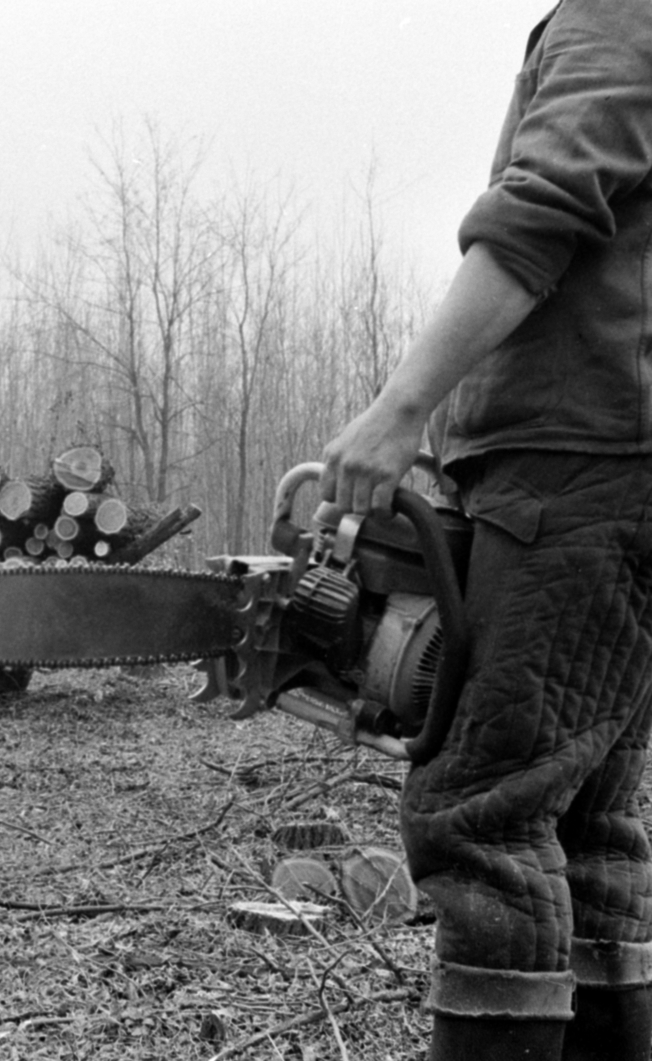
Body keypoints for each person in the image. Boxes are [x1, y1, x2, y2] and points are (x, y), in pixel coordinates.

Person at [321, 3, 652, 1058]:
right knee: (584, 818)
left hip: (578, 458)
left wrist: (402, 405)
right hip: (617, 460)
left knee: (481, 808)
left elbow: (540, 213)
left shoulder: (617, 14)